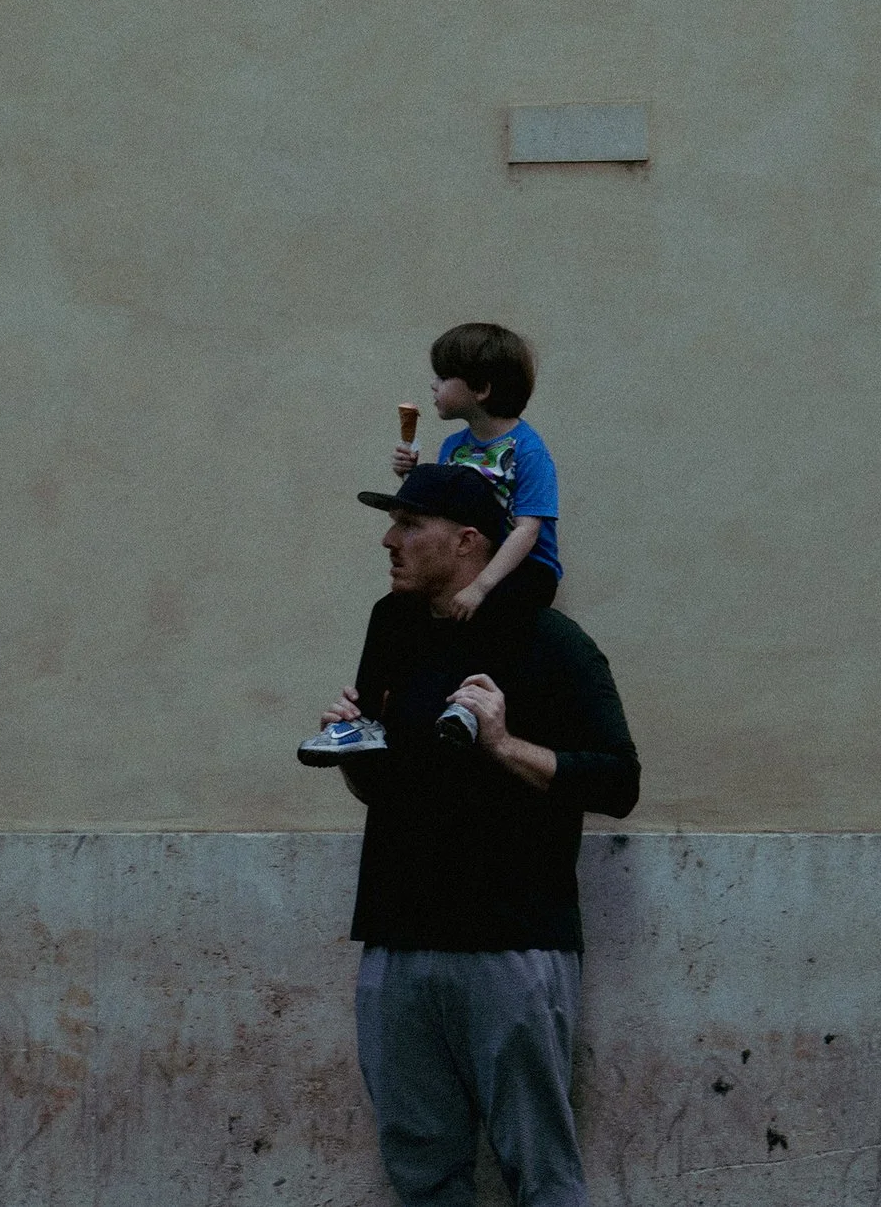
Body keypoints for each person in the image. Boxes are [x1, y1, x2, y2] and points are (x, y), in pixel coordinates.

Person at [314, 462, 640, 1207]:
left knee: (542, 1172)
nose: (388, 541)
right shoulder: (389, 625)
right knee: (421, 1170)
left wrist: (504, 745)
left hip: (512, 944)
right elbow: (381, 785)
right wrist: (349, 748)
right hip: (398, 938)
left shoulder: (550, 641)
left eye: (408, 525)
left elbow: (619, 782)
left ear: (466, 542)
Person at [392, 323, 561, 623]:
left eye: (444, 377)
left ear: (481, 389)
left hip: (527, 568)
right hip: (475, 560)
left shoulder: (528, 450)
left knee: (489, 614)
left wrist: (480, 587)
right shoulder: (453, 446)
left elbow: (527, 530)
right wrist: (413, 476)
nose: (434, 385)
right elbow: (446, 513)